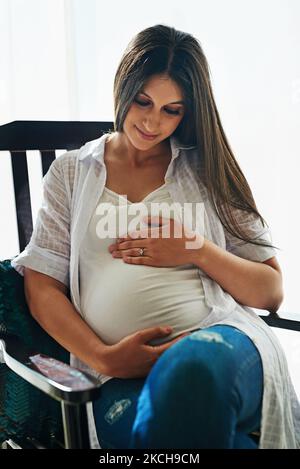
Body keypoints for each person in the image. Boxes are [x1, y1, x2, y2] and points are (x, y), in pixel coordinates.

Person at [11, 24, 300, 449]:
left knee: (188, 381)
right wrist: (103, 356)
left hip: (216, 344)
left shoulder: (207, 169)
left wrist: (195, 249)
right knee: (176, 437)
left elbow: (270, 292)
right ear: (123, 87)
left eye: (172, 110)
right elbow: (42, 287)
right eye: (143, 101)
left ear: (189, 112)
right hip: (116, 376)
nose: (151, 121)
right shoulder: (72, 173)